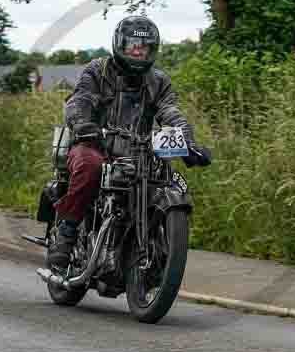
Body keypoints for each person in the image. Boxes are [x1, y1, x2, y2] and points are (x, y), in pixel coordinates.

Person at [48, 15, 211, 270]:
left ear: (152, 50)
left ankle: (143, 244)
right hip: (94, 144)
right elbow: (79, 101)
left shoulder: (158, 81)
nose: (138, 51)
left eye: (144, 47)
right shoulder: (98, 70)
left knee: (167, 179)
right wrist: (83, 124)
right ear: (120, 45)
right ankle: (67, 233)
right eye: (133, 45)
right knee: (89, 167)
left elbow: (171, 112)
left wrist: (187, 142)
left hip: (138, 153)